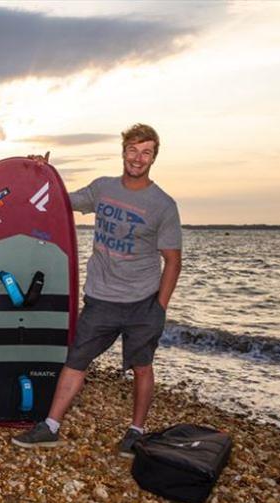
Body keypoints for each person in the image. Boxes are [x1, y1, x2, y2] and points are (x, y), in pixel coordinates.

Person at [12, 123, 182, 456]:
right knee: (75, 361)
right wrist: (43, 173)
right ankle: (50, 427)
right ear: (123, 152)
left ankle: (135, 432)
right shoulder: (103, 188)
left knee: (142, 367)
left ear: (154, 158)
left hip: (142, 302)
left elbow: (173, 261)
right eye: (133, 150)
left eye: (146, 152)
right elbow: (61, 200)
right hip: (101, 299)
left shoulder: (163, 205)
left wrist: (159, 308)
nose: (138, 158)